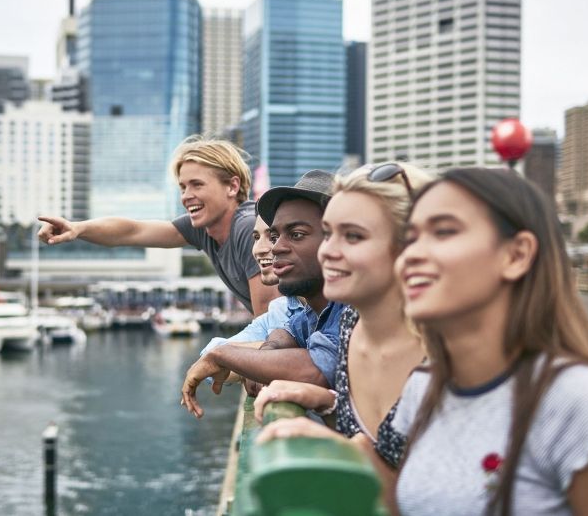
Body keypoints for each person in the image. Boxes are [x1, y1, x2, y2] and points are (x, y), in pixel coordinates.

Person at [302, 167, 588, 515]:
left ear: (515, 255)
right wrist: (343, 451)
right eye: (413, 237)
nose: (412, 255)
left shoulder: (574, 399)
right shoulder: (423, 387)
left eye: (444, 232)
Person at [254, 162, 433, 469]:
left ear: (410, 244)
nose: (328, 251)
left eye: (352, 236)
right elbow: (385, 450)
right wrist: (328, 403)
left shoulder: (444, 349)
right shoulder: (354, 323)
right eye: (328, 233)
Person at [38, 136, 280, 316]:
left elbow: (271, 320)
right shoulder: (203, 229)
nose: (186, 196)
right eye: (183, 187)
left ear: (232, 186)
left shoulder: (248, 229)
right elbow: (132, 231)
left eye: (197, 185)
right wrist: (78, 228)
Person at [180, 170, 346, 418]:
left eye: (296, 234)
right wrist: (265, 359)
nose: (275, 248)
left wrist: (224, 355)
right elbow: (286, 333)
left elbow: (318, 369)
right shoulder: (313, 312)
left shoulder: (353, 307)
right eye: (275, 236)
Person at [200, 215, 307, 356]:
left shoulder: (340, 309)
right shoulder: (280, 308)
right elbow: (212, 352)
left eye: (273, 237)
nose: (258, 249)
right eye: (256, 238)